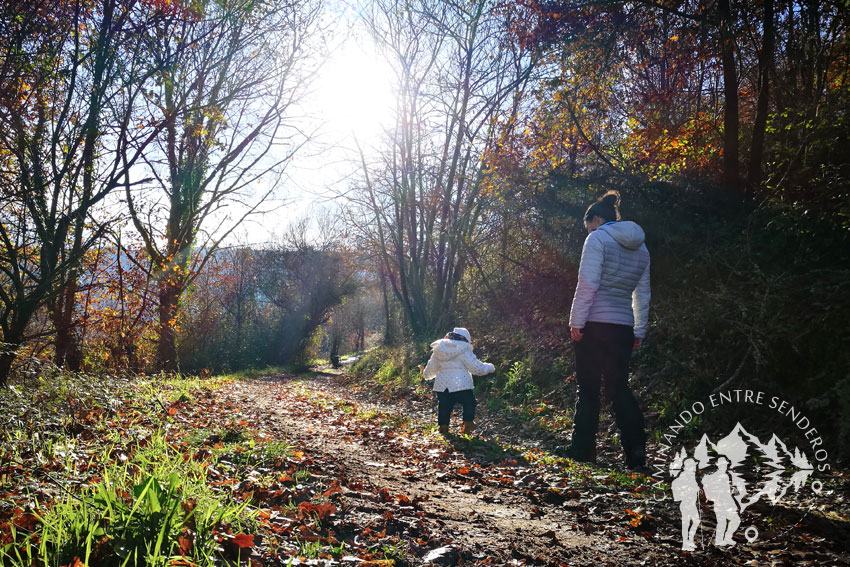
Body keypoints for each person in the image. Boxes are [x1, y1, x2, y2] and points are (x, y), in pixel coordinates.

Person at [566, 190, 650, 469]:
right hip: (622, 327)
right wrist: (638, 329)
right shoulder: (641, 247)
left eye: (588, 225)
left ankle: (581, 452)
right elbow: (643, 293)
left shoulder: (598, 238)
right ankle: (636, 454)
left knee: (588, 389)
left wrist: (576, 321)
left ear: (596, 219)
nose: (587, 231)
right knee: (618, 389)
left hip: (593, 325)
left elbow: (587, 283)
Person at [422, 327, 495, 435]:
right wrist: (489, 367)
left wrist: (427, 375)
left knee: (444, 406)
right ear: (466, 339)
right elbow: (476, 368)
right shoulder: (464, 350)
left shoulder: (438, 350)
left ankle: (443, 428)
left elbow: (429, 370)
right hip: (462, 384)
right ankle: (468, 424)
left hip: (442, 386)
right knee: (469, 403)